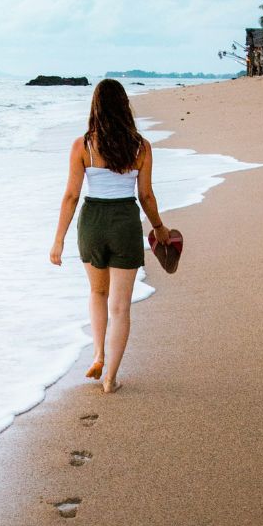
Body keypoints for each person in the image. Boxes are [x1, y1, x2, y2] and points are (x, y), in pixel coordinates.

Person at [49, 79, 171, 393]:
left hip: (92, 223)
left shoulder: (83, 145)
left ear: (96, 108)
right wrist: (159, 228)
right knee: (120, 307)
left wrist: (58, 240)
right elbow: (146, 196)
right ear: (124, 107)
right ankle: (110, 378)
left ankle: (98, 354)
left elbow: (71, 196)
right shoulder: (140, 146)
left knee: (97, 294)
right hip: (124, 223)